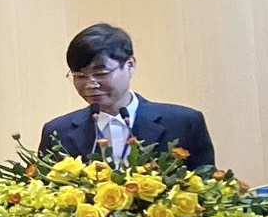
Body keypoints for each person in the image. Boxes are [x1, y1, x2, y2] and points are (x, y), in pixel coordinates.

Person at [39, 23, 215, 171]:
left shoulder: (183, 123)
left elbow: (208, 188)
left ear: (130, 65)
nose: (90, 84)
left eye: (101, 73)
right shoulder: (57, 133)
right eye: (80, 76)